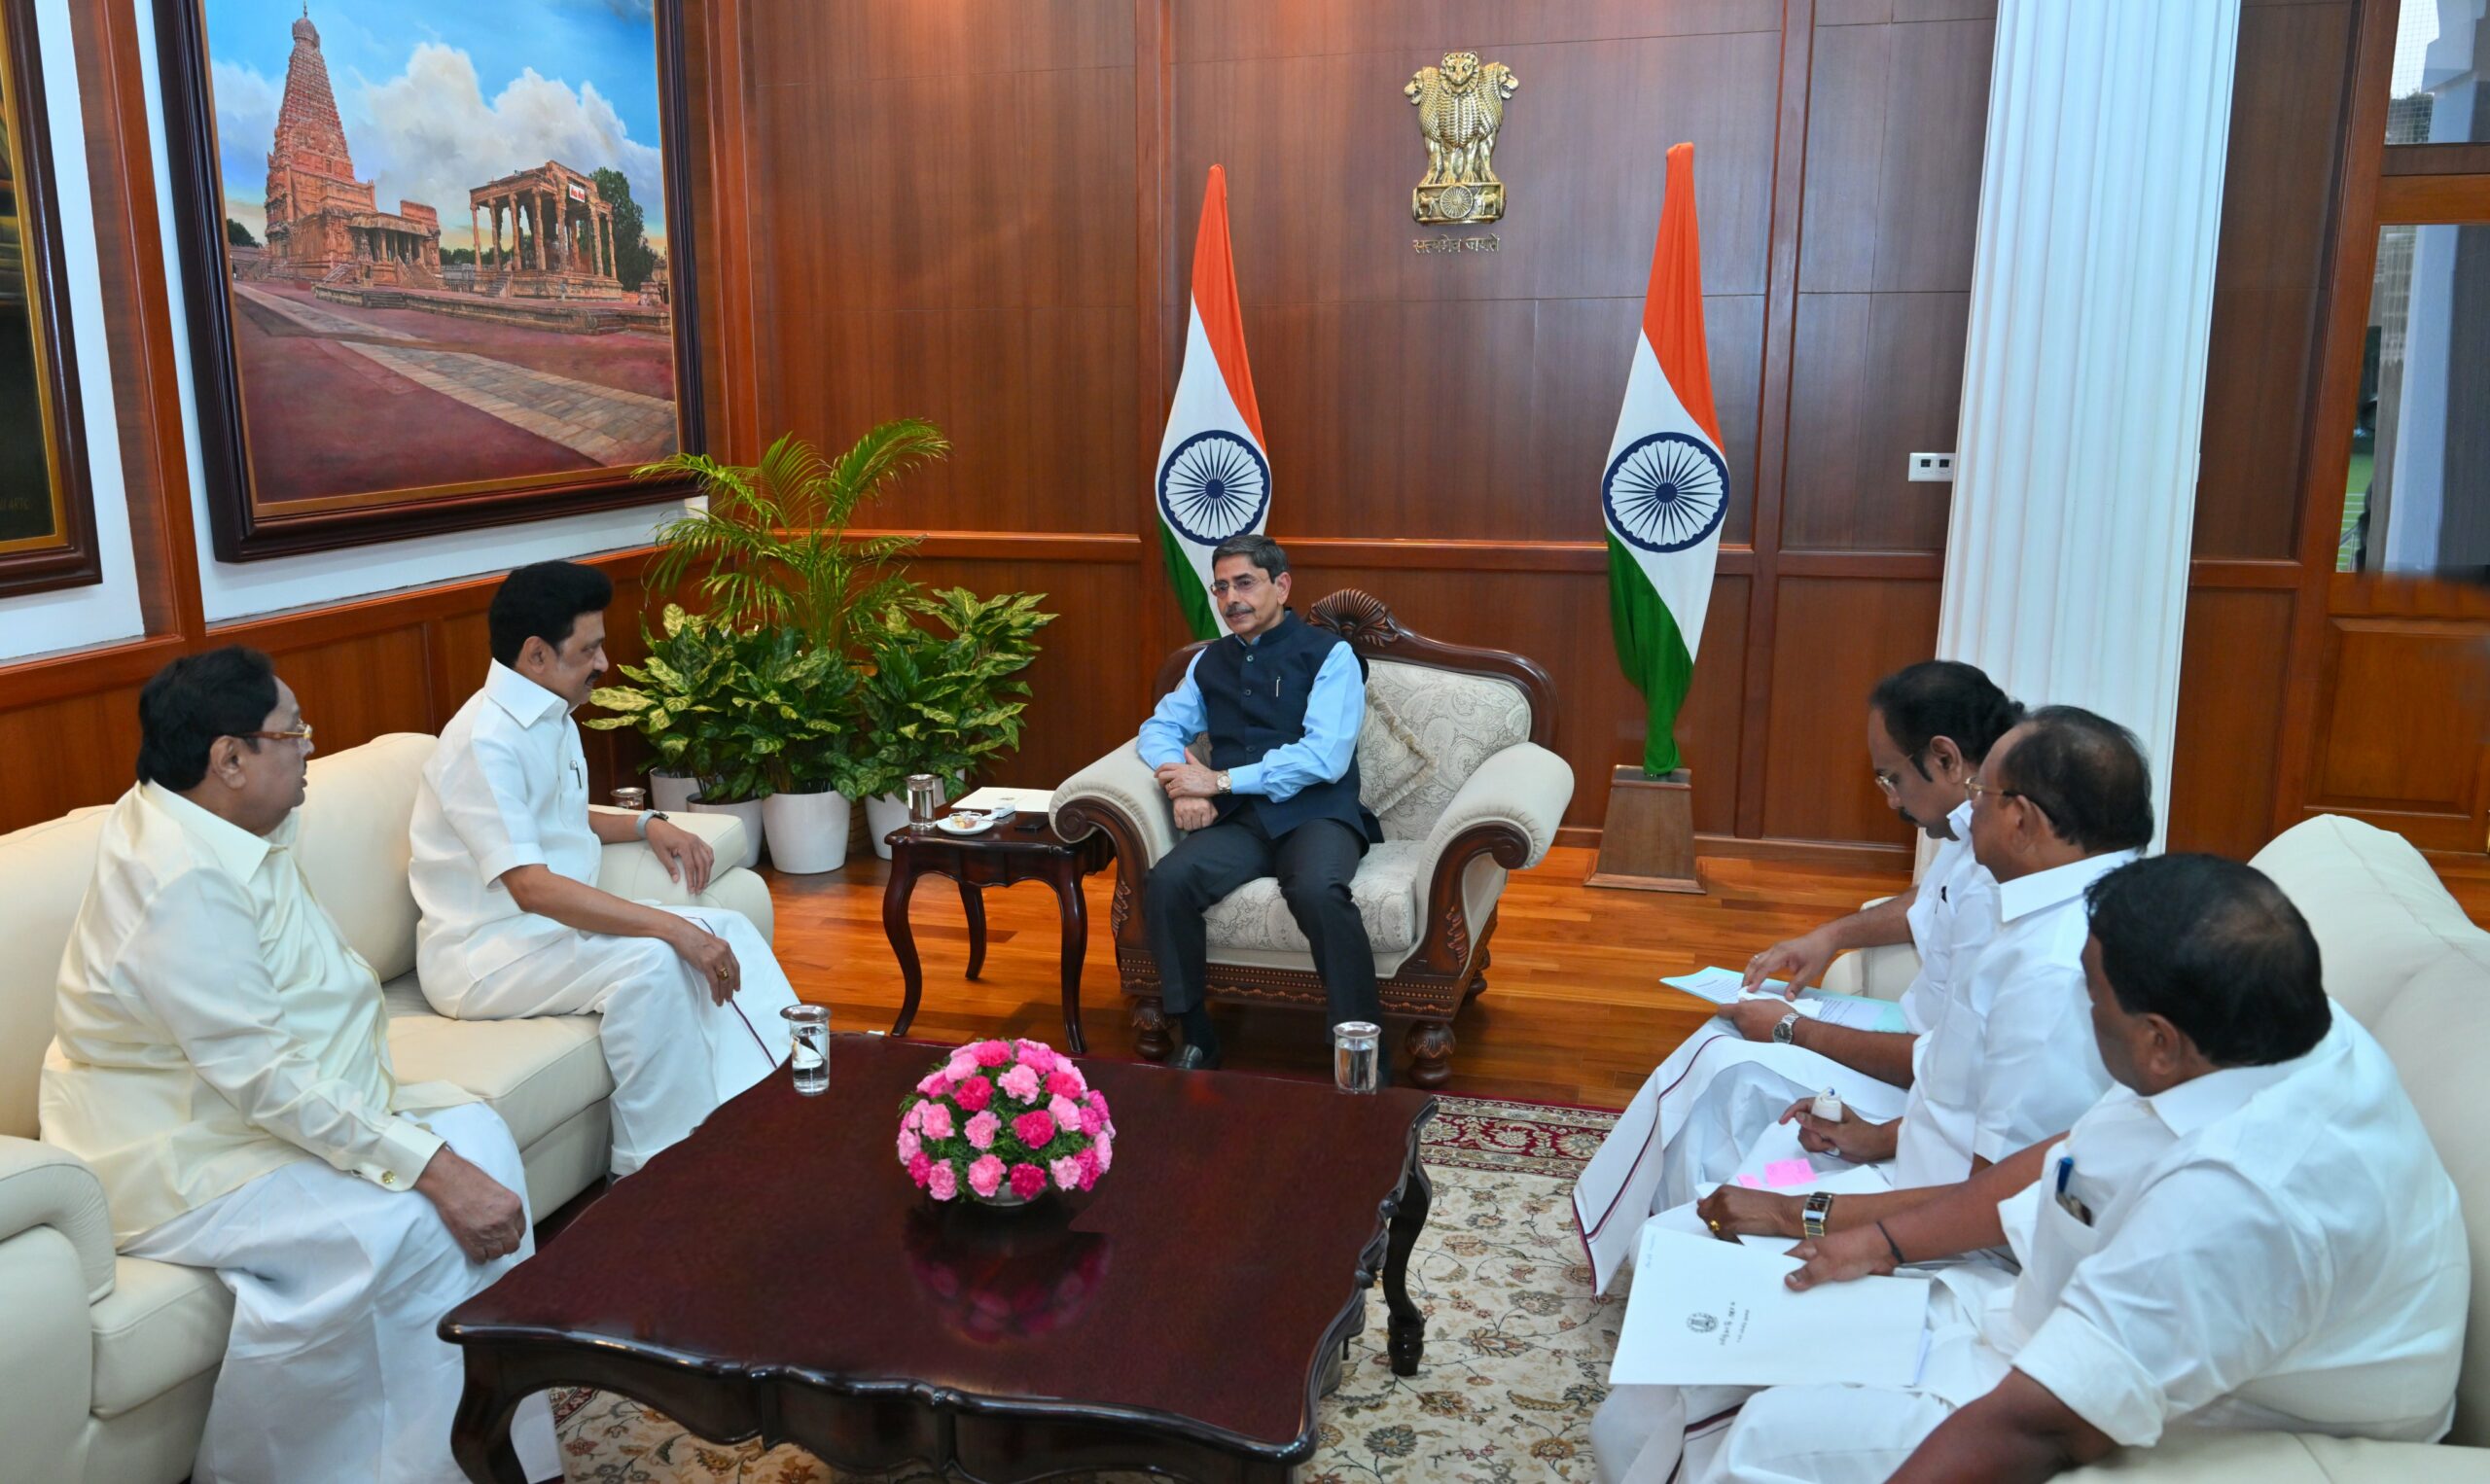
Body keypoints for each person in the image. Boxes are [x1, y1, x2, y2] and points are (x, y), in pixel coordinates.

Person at [1591, 854, 2469, 1484]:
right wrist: (1870, 1238)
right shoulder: (2266, 1031)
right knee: (1687, 1366)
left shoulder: (2243, 1200)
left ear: (2159, 1042)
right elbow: (2066, 1166)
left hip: (2210, 1414)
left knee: (1764, 1434)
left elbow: (2040, 1428)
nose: (2082, 1014)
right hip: (2043, 1311)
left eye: (2093, 1002)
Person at [38, 648, 560, 1484]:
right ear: (230, 758)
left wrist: (430, 1156)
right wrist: (424, 1169)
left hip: (269, 1106)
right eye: (294, 733)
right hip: (179, 1151)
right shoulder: (176, 877)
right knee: (404, 1225)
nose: (310, 747)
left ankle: (499, 1453)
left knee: (479, 1130)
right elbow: (262, 1076)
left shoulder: (224, 818)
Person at [1576, 703, 2151, 1290]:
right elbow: (1968, 1099)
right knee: (1731, 1187)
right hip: (1910, 1168)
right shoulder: (2047, 911)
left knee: (1670, 1252)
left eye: (1981, 792)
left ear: (2022, 821)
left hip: (1950, 1247)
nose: (1968, 807)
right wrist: (1874, 1138)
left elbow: (2002, 1204)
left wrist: (1796, 1213)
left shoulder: (2053, 965)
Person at [410, 561, 800, 1177]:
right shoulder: (482, 742)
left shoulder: (550, 713)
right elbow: (530, 885)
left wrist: (648, 824)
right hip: (483, 956)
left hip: (544, 936)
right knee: (655, 960)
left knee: (728, 925)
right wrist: (670, 928)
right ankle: (656, 1171)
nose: (603, 663)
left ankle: (776, 1109)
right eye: (589, 649)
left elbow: (562, 817)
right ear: (535, 654)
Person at [1136, 533, 1383, 1071]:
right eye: (1220, 588)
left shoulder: (1330, 654)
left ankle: (1358, 1049)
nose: (1231, 600)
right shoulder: (1208, 662)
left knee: (1318, 890)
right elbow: (1159, 727)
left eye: (1244, 583)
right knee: (1168, 881)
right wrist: (1177, 778)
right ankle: (1196, 1034)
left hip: (1317, 814)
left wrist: (1218, 782)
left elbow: (1324, 757)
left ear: (1281, 584)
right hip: (1243, 824)